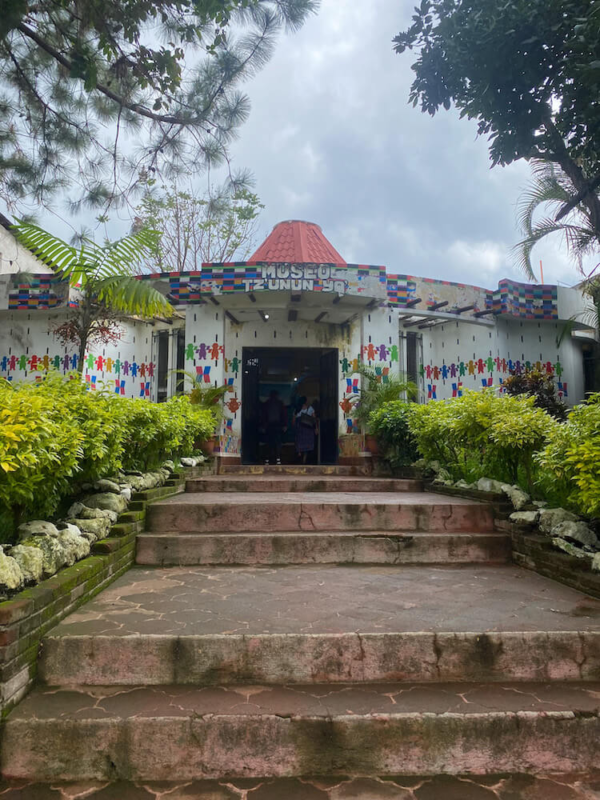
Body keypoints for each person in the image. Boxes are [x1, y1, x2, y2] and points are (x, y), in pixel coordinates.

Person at [261, 390, 287, 465]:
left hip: (269, 426)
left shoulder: (266, 403)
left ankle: (267, 460)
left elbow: (263, 416)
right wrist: (284, 425)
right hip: (278, 426)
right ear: (277, 395)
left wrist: (263, 426)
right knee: (277, 443)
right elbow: (284, 415)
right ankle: (278, 460)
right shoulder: (280, 403)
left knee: (268, 443)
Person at [293, 396, 317, 464]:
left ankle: (299, 456)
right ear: (305, 401)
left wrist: (295, 429)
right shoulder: (310, 408)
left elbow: (293, 421)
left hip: (299, 430)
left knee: (299, 445)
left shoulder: (297, 410)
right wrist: (316, 428)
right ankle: (305, 460)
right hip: (308, 430)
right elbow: (314, 419)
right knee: (307, 446)